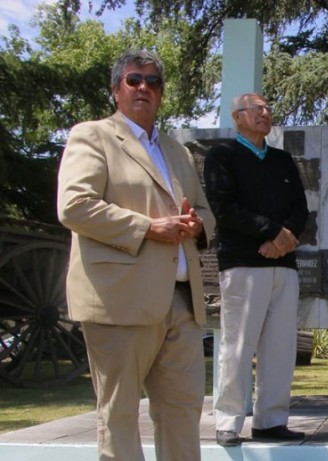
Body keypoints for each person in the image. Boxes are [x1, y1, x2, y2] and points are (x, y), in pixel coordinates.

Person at [57, 49, 214, 461]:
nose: (144, 87)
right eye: (134, 80)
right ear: (117, 89)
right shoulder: (91, 135)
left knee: (184, 413)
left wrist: (198, 226)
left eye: (153, 81)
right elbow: (74, 206)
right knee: (120, 415)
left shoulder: (177, 150)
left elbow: (204, 210)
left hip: (181, 302)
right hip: (119, 300)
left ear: (162, 94)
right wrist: (148, 227)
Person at [204, 92, 309, 447]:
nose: (265, 113)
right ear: (238, 117)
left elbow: (300, 209)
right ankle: (229, 422)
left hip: (285, 266)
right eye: (257, 109)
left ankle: (271, 421)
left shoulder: (282, 160)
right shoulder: (223, 156)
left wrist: (284, 238)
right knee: (238, 345)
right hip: (243, 265)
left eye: (267, 109)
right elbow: (225, 207)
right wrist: (271, 233)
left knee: (280, 348)